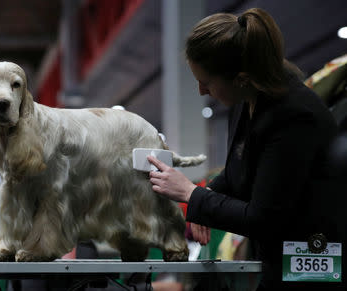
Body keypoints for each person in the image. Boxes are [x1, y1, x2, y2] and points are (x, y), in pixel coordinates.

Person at [147, 8, 345, 291]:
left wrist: (192, 194)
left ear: (241, 78)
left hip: (313, 264)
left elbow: (263, 219)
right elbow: (241, 171)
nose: (202, 91)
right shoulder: (247, 99)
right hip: (279, 258)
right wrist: (208, 197)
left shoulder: (294, 117)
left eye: (207, 82)